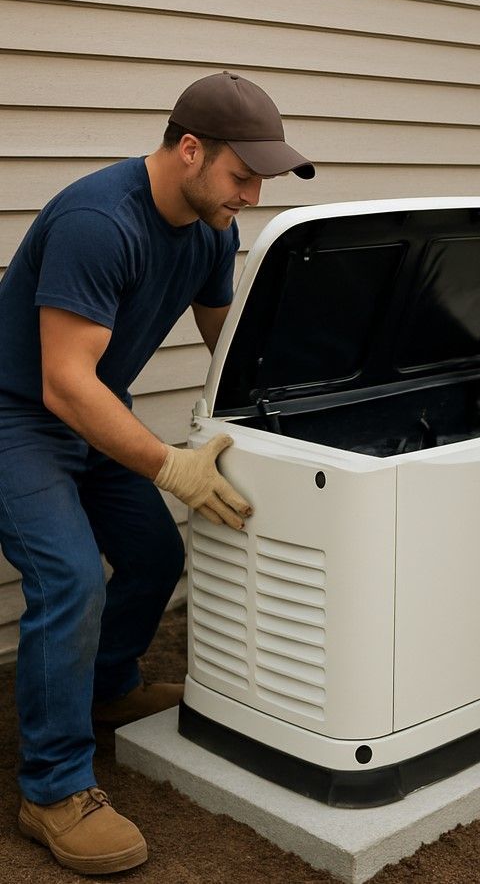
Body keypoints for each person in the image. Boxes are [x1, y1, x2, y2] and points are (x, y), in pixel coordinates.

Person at [0, 71, 314, 873]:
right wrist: (170, 464)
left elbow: (225, 341)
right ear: (188, 149)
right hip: (18, 417)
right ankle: (54, 787)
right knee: (72, 578)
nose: (250, 194)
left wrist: (294, 407)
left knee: (154, 555)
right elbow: (63, 381)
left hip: (90, 408)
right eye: (242, 175)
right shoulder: (98, 221)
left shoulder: (211, 227)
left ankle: (107, 685)